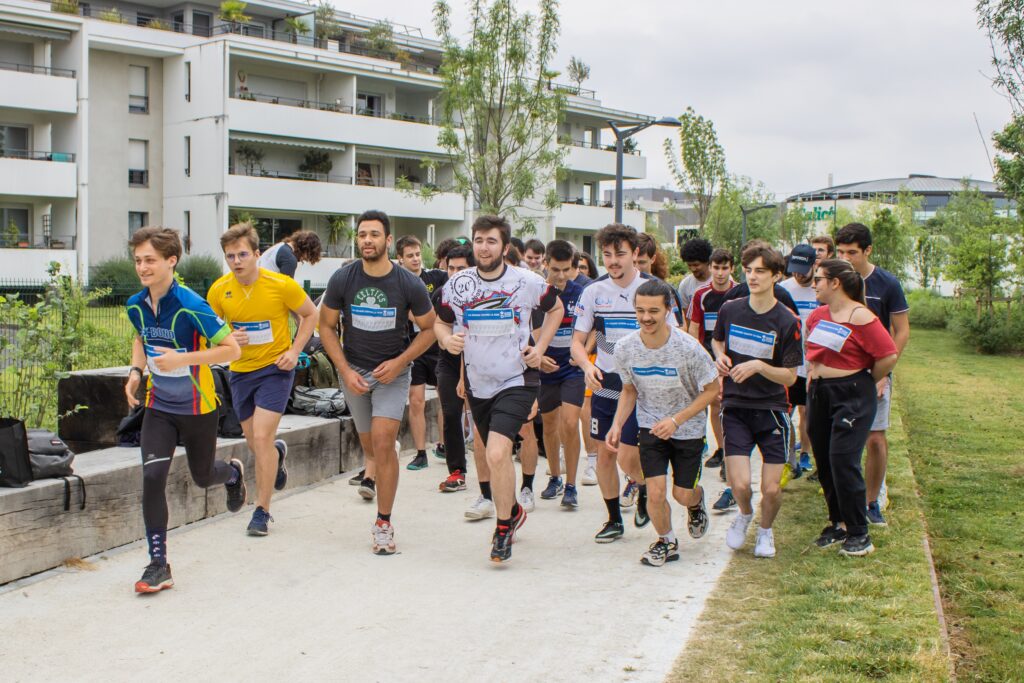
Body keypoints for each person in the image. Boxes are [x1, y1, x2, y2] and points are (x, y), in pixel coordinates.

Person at [435, 215, 563, 563]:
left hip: (517, 379)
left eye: (491, 241)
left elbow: (556, 310)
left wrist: (540, 348)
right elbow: (440, 321)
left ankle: (503, 527)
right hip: (479, 383)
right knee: (494, 454)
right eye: (479, 240)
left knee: (495, 453)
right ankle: (514, 511)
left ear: (505, 247)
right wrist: (447, 341)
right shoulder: (458, 284)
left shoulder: (527, 282)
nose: (484, 247)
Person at [124, 227, 244, 593]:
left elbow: (230, 351)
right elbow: (141, 338)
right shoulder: (135, 304)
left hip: (197, 407)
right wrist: (135, 372)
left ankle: (233, 473)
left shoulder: (191, 303)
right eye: (138, 261)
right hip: (158, 407)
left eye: (150, 260)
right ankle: (158, 563)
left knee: (203, 476)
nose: (142, 267)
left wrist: (183, 359)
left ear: (171, 261)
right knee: (151, 479)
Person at [319, 210, 436, 555]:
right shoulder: (344, 279)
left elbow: (429, 329)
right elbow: (325, 326)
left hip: (392, 375)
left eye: (374, 234)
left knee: (383, 444)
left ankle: (383, 522)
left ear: (388, 241)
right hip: (354, 373)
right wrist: (344, 369)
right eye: (362, 234)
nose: (366, 240)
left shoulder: (408, 283)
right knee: (370, 448)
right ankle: (385, 458)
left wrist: (400, 362)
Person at [207, 223, 318, 536]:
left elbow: (311, 314)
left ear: (257, 254)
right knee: (256, 441)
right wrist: (228, 338)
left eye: (243, 254)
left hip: (275, 369)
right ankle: (279, 454)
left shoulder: (281, 284)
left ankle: (261, 511)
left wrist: (296, 351)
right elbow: (209, 331)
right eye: (231, 256)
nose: (237, 261)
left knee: (261, 437)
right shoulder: (219, 290)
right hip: (240, 373)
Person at [571, 224, 672, 543]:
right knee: (604, 454)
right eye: (608, 254)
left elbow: (676, 338)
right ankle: (614, 518)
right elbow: (577, 341)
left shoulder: (655, 290)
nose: (613, 261)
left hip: (644, 386)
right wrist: (587, 365)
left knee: (629, 457)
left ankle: (642, 486)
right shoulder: (593, 292)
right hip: (606, 382)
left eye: (621, 254)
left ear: (637, 254)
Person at [608, 280, 719, 566]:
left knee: (681, 494)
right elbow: (629, 390)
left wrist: (676, 420)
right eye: (640, 310)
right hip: (651, 427)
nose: (646, 317)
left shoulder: (689, 349)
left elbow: (712, 390)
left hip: (688, 429)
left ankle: (696, 502)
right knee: (655, 491)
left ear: (668, 310)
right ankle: (666, 541)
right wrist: (617, 424)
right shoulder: (625, 348)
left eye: (654, 311)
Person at [712, 243, 802, 558]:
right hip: (735, 407)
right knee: (738, 485)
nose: (752, 277)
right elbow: (717, 339)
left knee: (772, 489)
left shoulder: (787, 320)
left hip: (772, 410)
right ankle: (746, 514)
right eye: (748, 270)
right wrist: (720, 357)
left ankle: (766, 531)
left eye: (760, 271)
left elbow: (791, 377)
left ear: (777, 275)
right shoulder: (730, 309)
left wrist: (760, 366)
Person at [806, 259, 898, 556]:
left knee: (843, 460)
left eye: (818, 279)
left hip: (852, 394)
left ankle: (860, 532)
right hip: (820, 393)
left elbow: (887, 355)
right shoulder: (818, 315)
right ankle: (839, 522)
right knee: (825, 460)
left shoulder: (862, 317)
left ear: (835, 283)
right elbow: (815, 352)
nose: (814, 284)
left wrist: (868, 379)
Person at [835, 223, 909, 526]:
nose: (845, 258)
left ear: (867, 251)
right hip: (840, 374)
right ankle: (842, 500)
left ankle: (871, 500)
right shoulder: (834, 281)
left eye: (852, 252)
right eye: (841, 252)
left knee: (875, 439)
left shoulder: (887, 284)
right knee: (842, 439)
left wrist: (882, 374)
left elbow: (901, 332)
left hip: (875, 373)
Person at [535, 240, 586, 508]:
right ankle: (554, 477)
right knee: (550, 424)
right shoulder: (536, 292)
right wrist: (539, 357)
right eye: (556, 269)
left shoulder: (582, 292)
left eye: (567, 269)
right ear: (546, 264)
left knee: (569, 422)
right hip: (545, 368)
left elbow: (591, 330)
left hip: (572, 368)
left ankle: (571, 485)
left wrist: (582, 355)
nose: (562, 276)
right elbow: (530, 329)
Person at [686, 248, 737, 497]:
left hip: (734, 359)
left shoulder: (739, 292)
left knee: (730, 407)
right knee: (714, 404)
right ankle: (723, 451)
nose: (719, 273)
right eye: (715, 268)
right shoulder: (701, 295)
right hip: (707, 358)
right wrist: (696, 359)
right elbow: (694, 328)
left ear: (731, 269)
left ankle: (732, 453)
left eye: (724, 268)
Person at [396, 235, 448, 471]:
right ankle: (420, 453)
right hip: (413, 349)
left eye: (418, 254)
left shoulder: (435, 277)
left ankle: (444, 445)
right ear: (400, 259)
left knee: (444, 399)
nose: (416, 259)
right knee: (415, 401)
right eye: (410, 256)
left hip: (438, 348)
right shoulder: (398, 283)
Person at [434, 243, 476, 495]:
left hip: (480, 363)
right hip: (448, 361)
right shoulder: (441, 293)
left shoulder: (483, 293)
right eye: (451, 268)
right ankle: (457, 470)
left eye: (461, 268)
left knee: (483, 419)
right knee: (451, 413)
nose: (455, 273)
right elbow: (436, 328)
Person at [779, 244, 821, 481]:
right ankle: (790, 461)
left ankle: (810, 455)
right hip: (790, 364)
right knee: (785, 413)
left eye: (804, 269)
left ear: (814, 264)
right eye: (794, 269)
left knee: (812, 417)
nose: (799, 274)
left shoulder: (821, 289)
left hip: (815, 365)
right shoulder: (784, 289)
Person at [258, 230, 322, 278]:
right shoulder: (289, 259)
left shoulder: (279, 246)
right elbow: (287, 289)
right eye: (307, 257)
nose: (302, 260)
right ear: (306, 249)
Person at [677, 238, 713, 321]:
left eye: (696, 265)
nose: (693, 269)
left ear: (707, 262)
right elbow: (687, 318)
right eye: (689, 265)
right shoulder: (685, 285)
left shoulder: (721, 279)